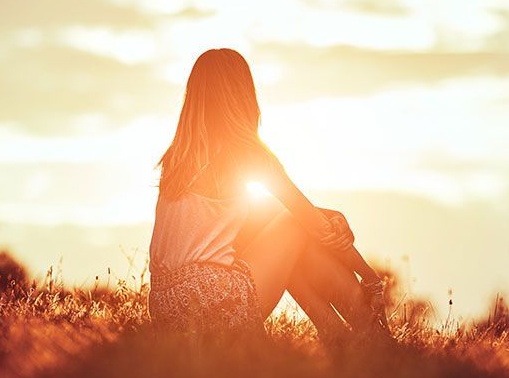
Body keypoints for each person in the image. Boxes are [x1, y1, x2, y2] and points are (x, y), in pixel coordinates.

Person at [147, 48, 389, 342]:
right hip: (212, 299)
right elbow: (304, 220)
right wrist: (370, 276)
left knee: (290, 242)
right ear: (243, 95)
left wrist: (327, 215)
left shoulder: (177, 160)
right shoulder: (246, 153)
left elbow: (260, 218)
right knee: (294, 226)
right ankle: (374, 334)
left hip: (165, 307)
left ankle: (338, 336)